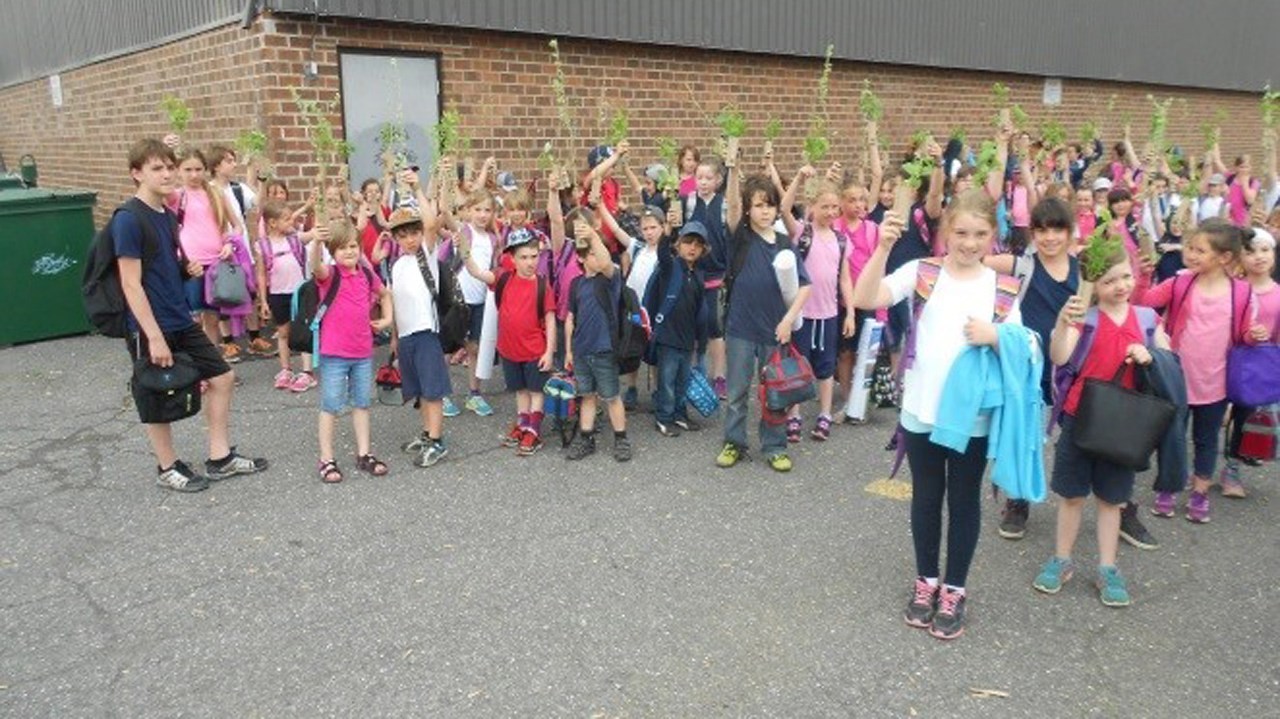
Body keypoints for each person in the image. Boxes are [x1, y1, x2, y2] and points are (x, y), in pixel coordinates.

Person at [853, 188, 1029, 641]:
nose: (970, 243)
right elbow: (864, 295)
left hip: (972, 417)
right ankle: (926, 581)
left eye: (981, 234)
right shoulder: (923, 271)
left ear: (995, 234)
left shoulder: (1002, 286)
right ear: (946, 229)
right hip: (921, 410)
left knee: (964, 498)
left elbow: (1027, 348)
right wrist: (884, 248)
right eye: (962, 232)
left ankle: (955, 588)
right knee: (927, 496)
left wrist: (996, 334)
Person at [116, 138, 267, 491]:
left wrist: (187, 270)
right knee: (155, 393)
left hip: (179, 316)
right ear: (136, 174)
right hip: (149, 324)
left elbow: (165, 266)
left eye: (169, 166)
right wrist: (153, 335)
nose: (167, 173)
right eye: (157, 168)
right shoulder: (128, 219)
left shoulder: (168, 215)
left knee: (222, 377)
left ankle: (219, 457)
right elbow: (131, 284)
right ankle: (167, 467)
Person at [1033, 247, 1169, 607]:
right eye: (1109, 281)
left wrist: (1151, 355)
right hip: (1081, 417)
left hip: (1125, 425)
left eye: (1126, 276)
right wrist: (1063, 322)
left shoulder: (1147, 319)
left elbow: (1169, 359)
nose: (1121, 285)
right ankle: (1062, 559)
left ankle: (1108, 567)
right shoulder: (1085, 319)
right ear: (1093, 284)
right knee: (1072, 495)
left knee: (1112, 500)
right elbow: (1059, 355)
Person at [1138, 219, 1257, 523]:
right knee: (1172, 436)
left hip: (1216, 383)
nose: (1190, 254)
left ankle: (1200, 492)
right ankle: (1169, 487)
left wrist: (1255, 334)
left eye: (1199, 250)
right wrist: (1144, 275)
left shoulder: (1241, 293)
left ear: (1225, 257)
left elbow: (1243, 336)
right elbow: (1145, 302)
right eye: (1189, 248)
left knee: (1206, 440)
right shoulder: (1180, 282)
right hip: (1176, 379)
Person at [984, 197, 1078, 540]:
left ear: (1069, 232)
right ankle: (1018, 499)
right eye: (1041, 230)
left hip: (1070, 368)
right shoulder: (1022, 265)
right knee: (1026, 436)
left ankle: (1101, 499)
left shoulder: (1083, 271)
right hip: (1028, 368)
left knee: (1079, 437)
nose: (1050, 237)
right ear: (1032, 232)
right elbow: (975, 259)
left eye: (1057, 229)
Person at [715, 160, 811, 473]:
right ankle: (734, 442)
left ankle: (774, 446)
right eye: (757, 206)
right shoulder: (739, 238)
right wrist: (732, 170)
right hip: (741, 329)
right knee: (738, 391)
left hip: (775, 332)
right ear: (747, 209)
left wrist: (788, 320)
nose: (765, 211)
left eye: (769, 205)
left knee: (777, 392)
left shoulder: (785, 244)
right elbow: (730, 205)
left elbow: (805, 287)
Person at [458, 227, 556, 456]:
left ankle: (534, 428)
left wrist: (549, 351)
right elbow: (475, 271)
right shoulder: (503, 278)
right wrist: (463, 249)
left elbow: (550, 320)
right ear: (512, 258)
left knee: (536, 390)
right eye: (523, 257)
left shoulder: (542, 285)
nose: (530, 262)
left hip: (535, 350)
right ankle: (523, 423)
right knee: (520, 389)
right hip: (510, 350)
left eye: (534, 256)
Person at [310, 220, 393, 483]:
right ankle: (326, 458)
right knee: (331, 406)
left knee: (362, 404)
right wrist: (316, 244)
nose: (349, 252)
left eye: (353, 246)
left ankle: (364, 453)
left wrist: (388, 318)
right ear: (332, 252)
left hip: (362, 352)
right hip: (334, 353)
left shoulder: (367, 275)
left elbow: (385, 293)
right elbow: (315, 267)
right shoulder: (330, 275)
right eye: (342, 248)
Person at [780, 168, 856, 441]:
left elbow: (845, 279)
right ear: (812, 207)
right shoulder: (802, 232)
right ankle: (794, 414)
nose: (831, 211)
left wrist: (850, 313)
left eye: (835, 206)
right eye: (825, 206)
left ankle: (824, 413)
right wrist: (799, 179)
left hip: (829, 314)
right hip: (803, 314)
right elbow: (784, 208)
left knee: (825, 368)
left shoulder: (841, 240)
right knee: (798, 367)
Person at [563, 210, 632, 462]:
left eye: (597, 250)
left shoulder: (609, 279)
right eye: (590, 253)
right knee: (587, 396)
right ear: (581, 259)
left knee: (612, 396)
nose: (595, 255)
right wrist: (569, 350)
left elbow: (605, 262)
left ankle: (621, 438)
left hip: (604, 348)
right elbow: (571, 317)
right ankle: (586, 437)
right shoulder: (577, 284)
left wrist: (592, 235)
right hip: (582, 350)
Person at [389, 204, 453, 468]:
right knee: (419, 392)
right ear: (396, 239)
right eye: (402, 236)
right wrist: (394, 336)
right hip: (406, 335)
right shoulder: (397, 265)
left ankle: (437, 441)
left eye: (413, 233)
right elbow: (395, 303)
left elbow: (429, 223)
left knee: (432, 390)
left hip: (426, 332)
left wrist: (417, 190)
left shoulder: (426, 256)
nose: (410, 240)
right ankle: (427, 434)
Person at [1220, 227, 1278, 494]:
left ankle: (1232, 469)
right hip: (1223, 358)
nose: (1259, 257)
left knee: (1245, 417)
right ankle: (1201, 468)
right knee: (1208, 415)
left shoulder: (1278, 294)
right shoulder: (1232, 287)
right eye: (1251, 251)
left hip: (1255, 366)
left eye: (1265, 250)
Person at [648, 220, 708, 437]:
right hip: (668, 338)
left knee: (683, 382)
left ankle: (680, 414)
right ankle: (664, 417)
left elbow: (700, 311)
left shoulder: (698, 275)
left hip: (687, 339)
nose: (692, 247)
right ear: (678, 245)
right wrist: (668, 231)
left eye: (698, 244)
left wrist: (700, 342)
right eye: (688, 242)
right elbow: (662, 252)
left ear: (703, 250)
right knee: (667, 382)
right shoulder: (670, 267)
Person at [254, 200, 318, 392]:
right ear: (272, 223)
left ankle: (307, 372)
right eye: (287, 219)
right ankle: (285, 369)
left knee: (304, 330)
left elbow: (313, 234)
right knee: (283, 332)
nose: (292, 221)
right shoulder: (262, 246)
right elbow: (262, 273)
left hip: (299, 292)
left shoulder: (296, 238)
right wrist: (263, 300)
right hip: (277, 293)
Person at [619, 206, 665, 409]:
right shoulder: (637, 248)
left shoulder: (666, 252)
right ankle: (631, 388)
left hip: (654, 309)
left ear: (663, 227)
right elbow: (616, 231)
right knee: (631, 349)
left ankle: (657, 390)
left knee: (654, 353)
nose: (649, 232)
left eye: (653, 227)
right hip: (633, 308)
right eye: (645, 228)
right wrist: (600, 206)